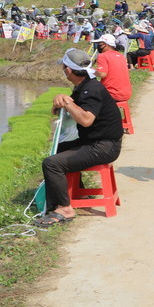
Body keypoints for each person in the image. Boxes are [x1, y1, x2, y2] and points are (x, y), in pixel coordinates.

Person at [36, 49, 123, 227]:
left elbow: (86, 120)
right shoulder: (84, 86)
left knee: (52, 163)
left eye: (63, 66)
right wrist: (61, 101)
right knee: (60, 149)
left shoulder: (91, 89)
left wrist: (67, 102)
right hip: (96, 141)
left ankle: (65, 209)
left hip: (104, 146)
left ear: (67, 70)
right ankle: (79, 192)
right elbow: (63, 109)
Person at [90, 34, 132, 103]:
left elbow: (102, 74)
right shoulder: (121, 56)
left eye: (100, 44)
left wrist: (91, 70)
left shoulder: (103, 56)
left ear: (106, 44)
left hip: (112, 94)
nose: (98, 47)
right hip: (126, 94)